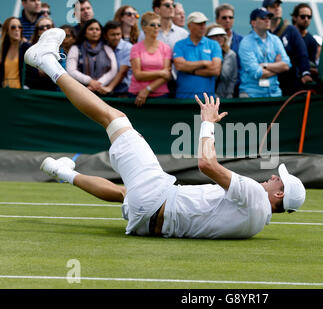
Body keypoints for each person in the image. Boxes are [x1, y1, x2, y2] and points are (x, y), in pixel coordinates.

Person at [25, 28, 306, 239]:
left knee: (115, 119)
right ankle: (62, 172)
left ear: (279, 194)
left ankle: (47, 62)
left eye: (276, 180)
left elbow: (207, 165)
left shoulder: (256, 196)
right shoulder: (255, 225)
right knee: (126, 192)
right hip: (148, 222)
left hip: (155, 200)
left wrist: (207, 123)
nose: (271, 177)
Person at [238, 8, 291, 98]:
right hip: (251, 94)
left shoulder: (275, 39)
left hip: (274, 93)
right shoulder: (245, 42)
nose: (267, 20)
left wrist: (265, 65)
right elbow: (257, 72)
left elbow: (286, 65)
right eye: (263, 18)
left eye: (269, 18)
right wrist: (277, 68)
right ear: (253, 23)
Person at [264, 0, 312, 96]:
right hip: (268, 85)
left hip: (290, 84)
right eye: (273, 6)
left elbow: (302, 53)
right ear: (266, 10)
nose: (277, 8)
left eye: (278, 5)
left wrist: (305, 73)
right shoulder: (261, 32)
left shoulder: (291, 30)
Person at [173, 12, 222, 99]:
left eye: (204, 23)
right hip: (184, 96)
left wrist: (191, 70)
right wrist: (204, 63)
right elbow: (180, 66)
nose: (203, 27)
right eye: (199, 24)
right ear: (189, 26)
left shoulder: (213, 44)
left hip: (207, 97)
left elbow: (215, 70)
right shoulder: (179, 45)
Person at [129, 12, 172, 105]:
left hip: (161, 96)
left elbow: (167, 76)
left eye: (158, 25)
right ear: (144, 28)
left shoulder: (166, 48)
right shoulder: (135, 48)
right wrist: (160, 73)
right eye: (153, 25)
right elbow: (138, 75)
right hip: (136, 96)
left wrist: (147, 89)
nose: (156, 27)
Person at [66, 19, 118, 95]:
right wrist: (89, 81)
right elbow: (71, 70)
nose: (94, 31)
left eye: (97, 29)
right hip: (80, 93)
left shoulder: (107, 48)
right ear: (85, 32)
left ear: (101, 32)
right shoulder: (76, 48)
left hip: (103, 92)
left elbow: (113, 70)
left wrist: (97, 85)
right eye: (91, 29)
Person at [25, 16, 59, 91]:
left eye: (48, 26)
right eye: (41, 28)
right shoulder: (29, 49)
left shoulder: (61, 47)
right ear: (37, 32)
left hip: (55, 91)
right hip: (33, 90)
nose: (45, 29)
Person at [102, 21, 132, 98]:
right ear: (105, 36)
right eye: (113, 35)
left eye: (118, 34)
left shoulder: (128, 47)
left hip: (124, 93)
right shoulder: (102, 47)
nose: (116, 37)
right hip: (104, 91)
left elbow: (123, 71)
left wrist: (109, 88)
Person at [206, 24, 238, 99]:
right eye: (215, 35)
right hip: (206, 96)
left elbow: (233, 78)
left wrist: (229, 94)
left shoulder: (231, 54)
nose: (219, 38)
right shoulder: (204, 53)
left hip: (224, 96)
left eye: (221, 35)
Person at [0, 17, 28, 89]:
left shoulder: (26, 47)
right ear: (7, 31)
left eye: (20, 27)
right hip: (5, 92)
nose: (17, 29)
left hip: (21, 92)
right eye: (13, 27)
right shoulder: (2, 49)